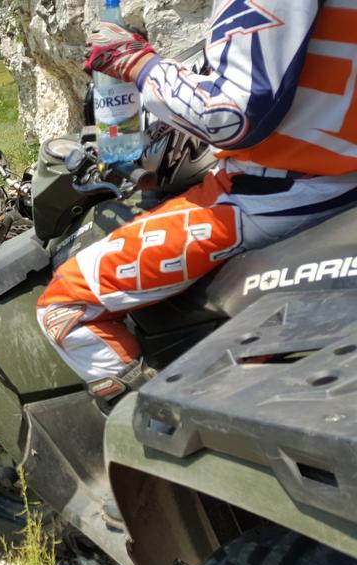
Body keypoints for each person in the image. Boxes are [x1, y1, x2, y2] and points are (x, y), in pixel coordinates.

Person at [36, 2, 357, 402]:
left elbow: (231, 116)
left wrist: (138, 64)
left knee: (65, 303)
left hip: (280, 189)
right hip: (336, 179)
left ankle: (152, 433)